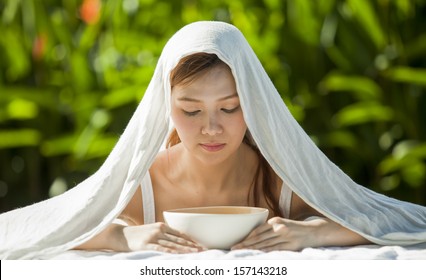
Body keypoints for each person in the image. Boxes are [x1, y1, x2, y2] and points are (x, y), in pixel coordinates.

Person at [1, 21, 425, 259]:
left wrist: (313, 232)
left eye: (229, 108)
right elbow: (41, 226)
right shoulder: (141, 183)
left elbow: (384, 219)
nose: (211, 128)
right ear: (166, 107)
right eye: (190, 111)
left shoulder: (282, 177)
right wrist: (119, 236)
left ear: (254, 105)